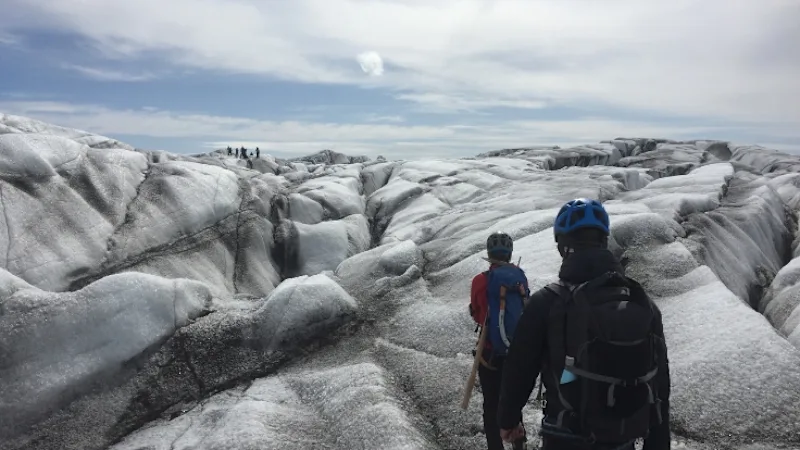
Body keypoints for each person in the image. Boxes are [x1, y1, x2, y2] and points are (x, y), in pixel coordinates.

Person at [497, 199, 671, 450]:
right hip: (623, 437)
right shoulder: (640, 301)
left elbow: (519, 369)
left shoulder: (547, 302)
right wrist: (658, 441)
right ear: (604, 240)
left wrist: (508, 420)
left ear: (563, 246)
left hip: (564, 436)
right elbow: (660, 381)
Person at [470, 232, 529, 450]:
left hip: (489, 352)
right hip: (515, 351)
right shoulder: (519, 276)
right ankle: (519, 445)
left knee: (492, 404)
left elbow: (478, 314)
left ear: (489, 253)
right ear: (510, 253)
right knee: (513, 401)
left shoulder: (480, 280)